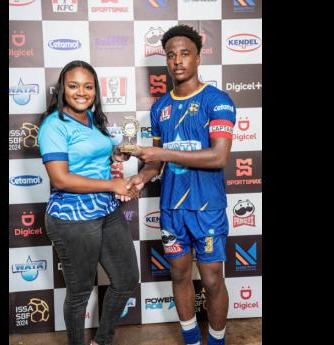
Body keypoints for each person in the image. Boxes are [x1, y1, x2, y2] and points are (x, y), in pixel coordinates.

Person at [127, 25, 236, 345]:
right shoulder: (160, 108)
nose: (177, 61)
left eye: (185, 53)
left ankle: (216, 341)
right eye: (171, 55)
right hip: (172, 209)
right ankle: (191, 340)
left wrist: (159, 152)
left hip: (208, 208)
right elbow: (155, 162)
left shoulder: (217, 101)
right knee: (179, 275)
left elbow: (218, 156)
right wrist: (141, 176)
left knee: (213, 280)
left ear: (199, 58)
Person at [38, 60, 139, 345]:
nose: (81, 92)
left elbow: (90, 159)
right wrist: (112, 184)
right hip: (72, 219)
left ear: (95, 90)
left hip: (106, 211)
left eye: (88, 86)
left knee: (127, 278)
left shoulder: (91, 119)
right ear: (61, 89)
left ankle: (102, 340)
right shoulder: (53, 126)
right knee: (80, 292)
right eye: (73, 86)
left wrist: (115, 155)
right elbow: (61, 179)